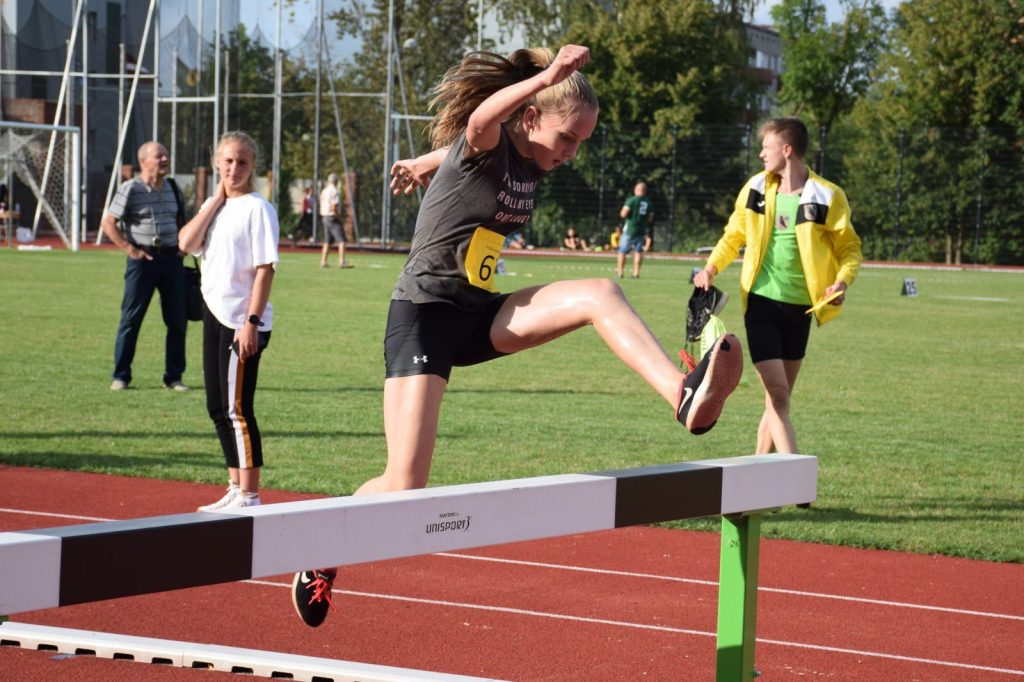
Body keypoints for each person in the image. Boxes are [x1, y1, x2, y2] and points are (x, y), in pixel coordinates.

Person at [289, 44, 743, 628]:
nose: (572, 154)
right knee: (404, 484)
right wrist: (548, 76)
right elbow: (482, 123)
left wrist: (428, 162)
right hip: (423, 316)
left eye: (581, 142)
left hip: (478, 314)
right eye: (567, 139)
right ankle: (321, 549)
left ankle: (684, 396)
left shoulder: (529, 157)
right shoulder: (492, 137)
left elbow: (478, 148)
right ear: (530, 116)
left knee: (601, 292)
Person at [693, 117, 862, 455]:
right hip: (761, 305)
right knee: (780, 397)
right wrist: (711, 267)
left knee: (777, 402)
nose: (761, 154)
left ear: (787, 150)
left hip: (802, 309)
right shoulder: (755, 188)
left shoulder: (827, 195)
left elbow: (850, 248)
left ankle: (758, 473)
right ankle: (796, 476)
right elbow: (733, 236)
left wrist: (842, 282)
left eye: (766, 147)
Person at [178, 131, 280, 511]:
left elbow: (265, 269)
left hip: (242, 320)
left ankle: (250, 495)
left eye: (242, 162)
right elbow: (186, 244)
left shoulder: (258, 208)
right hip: (214, 314)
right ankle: (235, 487)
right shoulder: (215, 205)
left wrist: (251, 321)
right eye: (228, 161)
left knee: (238, 409)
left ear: (253, 167)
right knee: (217, 407)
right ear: (217, 163)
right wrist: (215, 201)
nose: (234, 168)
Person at [100, 141, 190, 391]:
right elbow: (108, 223)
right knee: (131, 320)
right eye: (159, 156)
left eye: (166, 155)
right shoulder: (130, 188)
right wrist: (130, 249)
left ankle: (174, 377)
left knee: (177, 322)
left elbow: (182, 221)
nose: (165, 159)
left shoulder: (173, 188)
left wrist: (183, 247)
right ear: (144, 161)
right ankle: (121, 376)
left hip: (172, 260)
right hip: (143, 261)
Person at [617, 182, 653, 279]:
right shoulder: (649, 203)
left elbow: (623, 214)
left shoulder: (632, 200)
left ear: (636, 190)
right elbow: (650, 218)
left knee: (622, 251)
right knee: (638, 251)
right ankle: (636, 273)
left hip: (630, 229)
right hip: (642, 229)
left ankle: (620, 272)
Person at [319, 173, 352, 268]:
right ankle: (342, 261)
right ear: (336, 181)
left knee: (327, 241)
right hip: (332, 217)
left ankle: (323, 261)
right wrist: (338, 216)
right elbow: (334, 206)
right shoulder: (334, 191)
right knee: (341, 239)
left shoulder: (324, 190)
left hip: (324, 216)